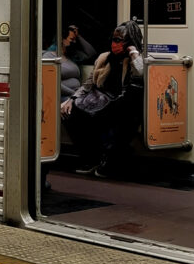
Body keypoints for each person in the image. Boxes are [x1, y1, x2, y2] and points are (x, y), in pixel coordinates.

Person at [60, 20, 145, 177]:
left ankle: (109, 160)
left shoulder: (135, 60)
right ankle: (92, 158)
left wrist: (133, 52)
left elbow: (141, 72)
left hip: (122, 105)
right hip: (101, 102)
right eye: (113, 39)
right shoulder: (104, 58)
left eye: (119, 40)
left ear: (129, 41)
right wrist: (71, 99)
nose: (114, 43)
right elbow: (88, 84)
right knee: (69, 113)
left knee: (120, 116)